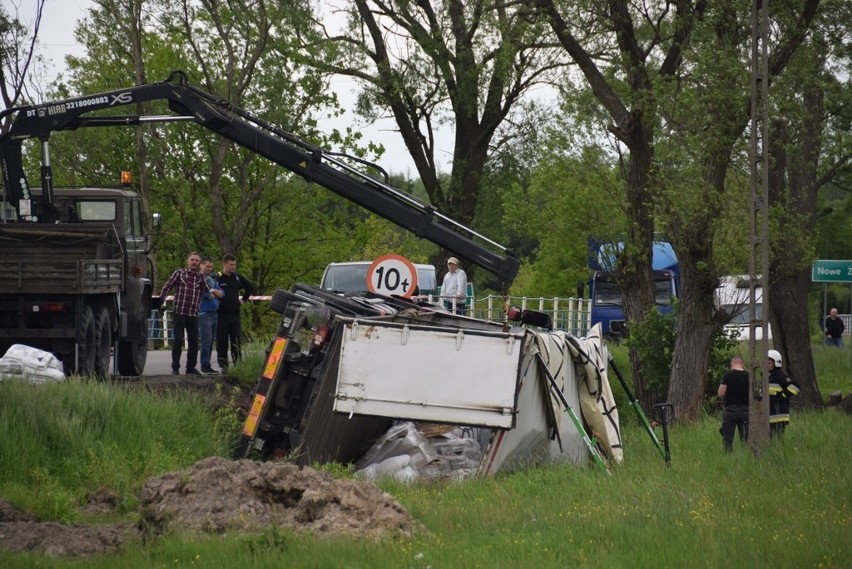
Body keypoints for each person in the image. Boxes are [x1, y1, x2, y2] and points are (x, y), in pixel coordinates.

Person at [159, 252, 211, 376]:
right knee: (178, 339)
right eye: (192, 260)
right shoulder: (179, 273)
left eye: (196, 260)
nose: (194, 262)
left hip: (193, 313)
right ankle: (175, 367)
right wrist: (161, 301)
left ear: (199, 264)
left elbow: (207, 291)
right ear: (188, 261)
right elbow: (167, 287)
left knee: (193, 341)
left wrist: (204, 277)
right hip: (179, 311)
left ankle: (190, 367)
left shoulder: (201, 277)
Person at [216, 254, 256, 371]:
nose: (233, 267)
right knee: (222, 341)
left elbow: (250, 287)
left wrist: (243, 299)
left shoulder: (237, 277)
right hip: (221, 314)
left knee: (236, 340)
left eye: (234, 265)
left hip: (234, 314)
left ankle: (238, 363)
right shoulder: (217, 278)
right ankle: (223, 365)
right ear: (224, 264)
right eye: (231, 265)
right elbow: (208, 289)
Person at [717, 356, 750, 452]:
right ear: (742, 364)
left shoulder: (728, 375)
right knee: (746, 439)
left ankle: (728, 456)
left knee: (727, 439)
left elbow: (720, 393)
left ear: (732, 364)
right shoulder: (749, 375)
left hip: (730, 410)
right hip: (745, 410)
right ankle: (747, 456)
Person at [767, 349, 800, 437]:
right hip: (769, 413)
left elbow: (796, 387)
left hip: (779, 414)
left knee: (778, 438)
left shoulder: (782, 376)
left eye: (769, 363)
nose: (767, 365)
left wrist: (783, 395)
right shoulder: (766, 376)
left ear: (776, 363)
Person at [198, 256, 223, 375]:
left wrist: (214, 292)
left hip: (214, 314)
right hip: (204, 313)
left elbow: (222, 293)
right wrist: (212, 293)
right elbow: (204, 293)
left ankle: (207, 364)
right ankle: (204, 365)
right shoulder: (198, 278)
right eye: (207, 266)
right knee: (206, 340)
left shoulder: (212, 280)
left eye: (211, 267)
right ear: (201, 265)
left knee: (211, 340)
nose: (209, 269)